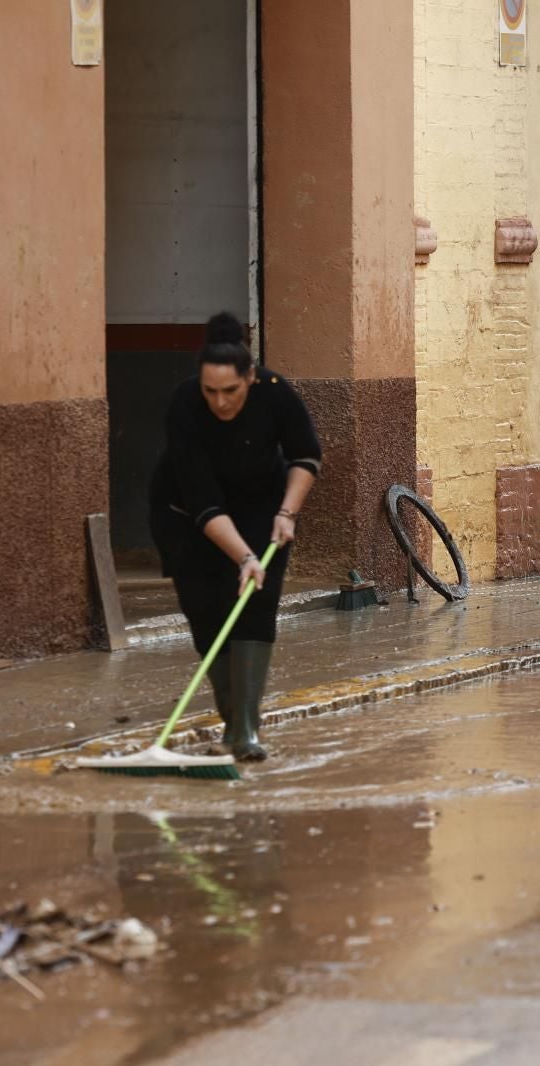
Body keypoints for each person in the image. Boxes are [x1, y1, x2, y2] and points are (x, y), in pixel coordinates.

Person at [149, 312, 322, 760]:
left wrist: (287, 512)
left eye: (231, 391)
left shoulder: (276, 393)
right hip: (186, 515)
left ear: (251, 377)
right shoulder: (184, 405)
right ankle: (232, 718)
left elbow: (305, 454)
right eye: (211, 391)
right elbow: (203, 501)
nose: (220, 402)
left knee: (255, 609)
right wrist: (245, 557)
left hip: (263, 509)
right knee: (207, 614)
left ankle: (244, 731)